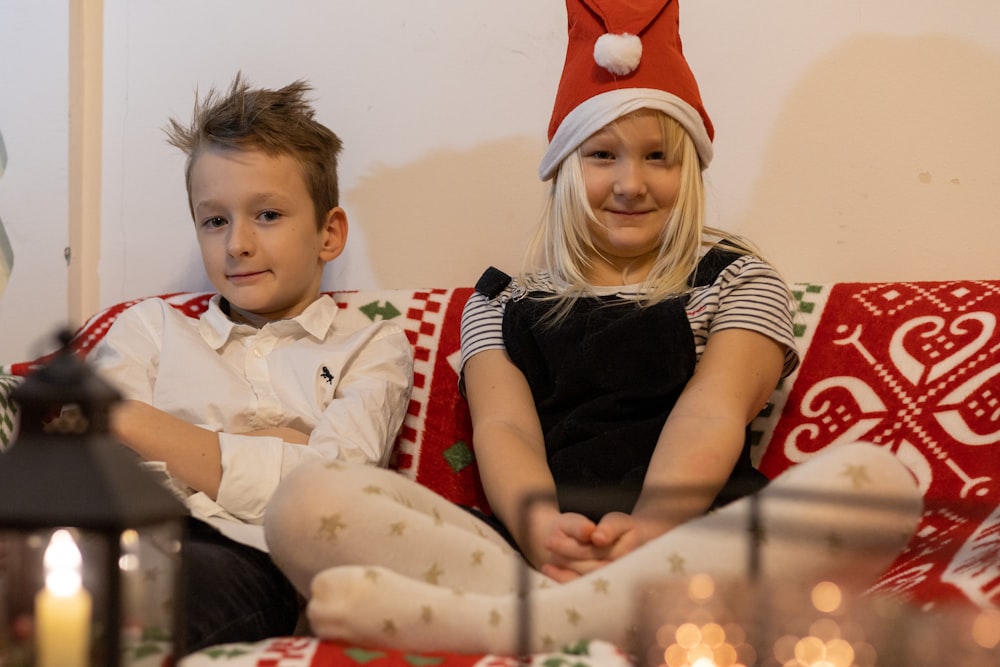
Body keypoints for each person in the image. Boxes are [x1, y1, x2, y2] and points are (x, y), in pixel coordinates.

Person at [264, 0, 921, 655]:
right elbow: (505, 428)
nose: (631, 183)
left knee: (877, 483)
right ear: (565, 168)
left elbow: (712, 412)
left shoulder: (739, 283)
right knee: (301, 501)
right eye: (603, 154)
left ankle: (530, 625)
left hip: (693, 547)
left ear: (688, 169)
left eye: (658, 156)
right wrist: (540, 525)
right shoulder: (497, 303)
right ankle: (585, 613)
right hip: (531, 555)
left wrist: (653, 527)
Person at [86, 74, 414, 653]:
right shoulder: (149, 328)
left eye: (267, 215)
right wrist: (267, 448)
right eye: (215, 220)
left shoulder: (371, 345)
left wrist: (143, 425)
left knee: (145, 614)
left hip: (252, 559)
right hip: (120, 537)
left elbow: (328, 497)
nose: (236, 243)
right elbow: (96, 461)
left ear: (328, 232)